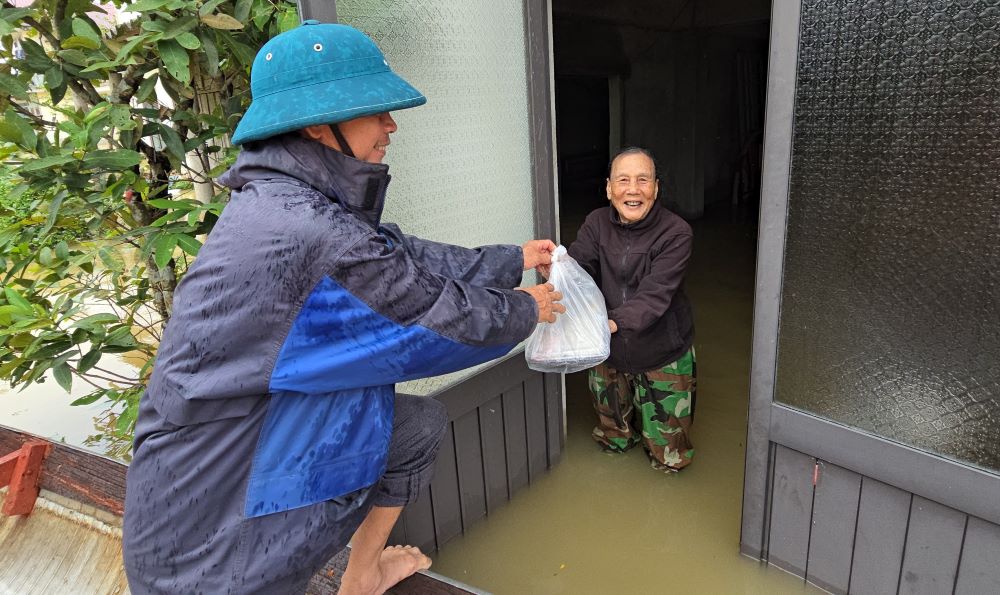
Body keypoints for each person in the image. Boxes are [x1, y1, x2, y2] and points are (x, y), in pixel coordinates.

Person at [122, 21, 564, 595]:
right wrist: (528, 310)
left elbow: (399, 258)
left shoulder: (292, 205)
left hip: (240, 461)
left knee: (415, 427)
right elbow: (420, 326)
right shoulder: (305, 227)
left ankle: (361, 578)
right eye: (376, 109)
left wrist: (511, 259)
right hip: (210, 544)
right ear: (316, 125)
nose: (390, 125)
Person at [566, 147, 696, 473]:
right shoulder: (596, 223)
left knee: (669, 458)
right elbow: (579, 268)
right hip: (606, 350)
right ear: (609, 188)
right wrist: (557, 271)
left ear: (656, 188)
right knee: (613, 440)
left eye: (643, 180)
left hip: (661, 350)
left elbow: (654, 296)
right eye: (623, 180)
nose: (633, 189)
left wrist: (607, 323)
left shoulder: (676, 232)